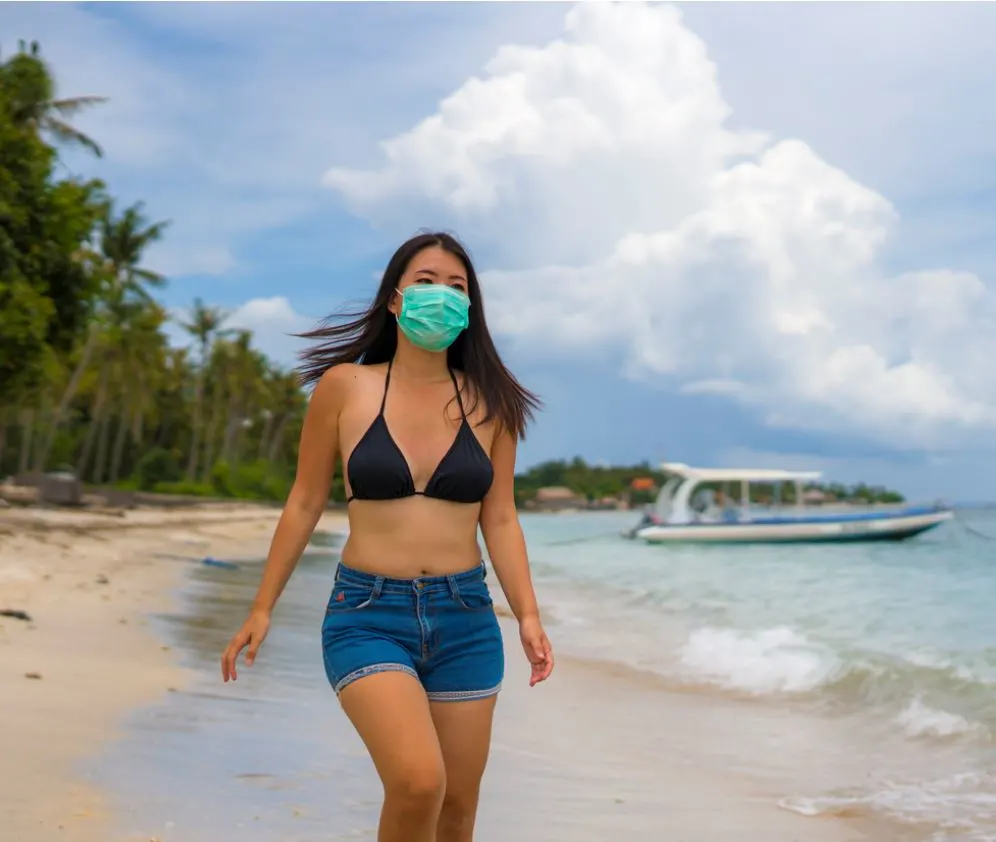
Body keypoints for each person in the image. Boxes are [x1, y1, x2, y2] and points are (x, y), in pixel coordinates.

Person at [220, 231, 555, 842]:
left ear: (471, 310)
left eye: (458, 287)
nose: (442, 296)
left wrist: (528, 615)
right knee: (418, 782)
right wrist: (261, 606)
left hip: (466, 618)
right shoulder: (346, 386)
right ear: (396, 300)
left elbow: (500, 517)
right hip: (367, 613)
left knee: (457, 807)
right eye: (427, 281)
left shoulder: (493, 404)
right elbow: (303, 500)